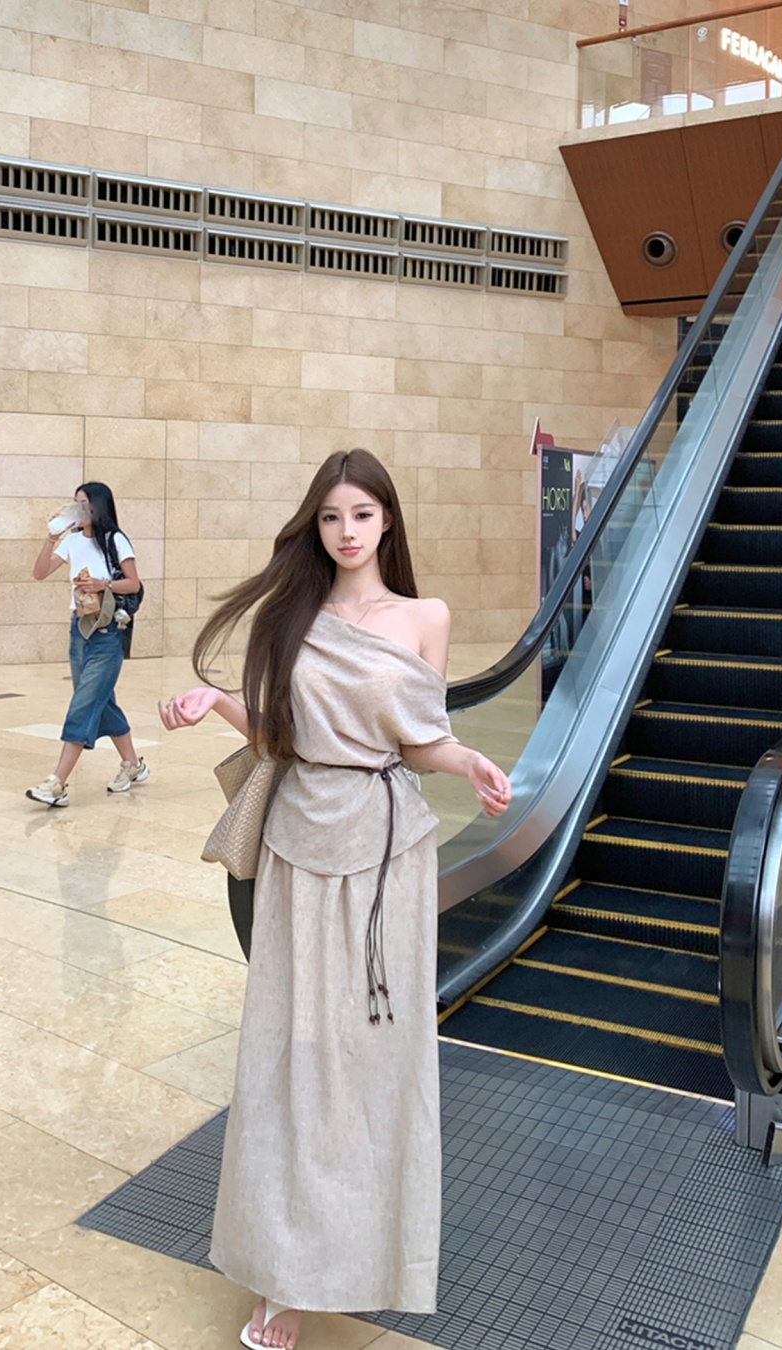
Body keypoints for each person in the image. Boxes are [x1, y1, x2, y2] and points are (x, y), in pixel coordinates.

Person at [159, 449, 511, 1349]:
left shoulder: (425, 617)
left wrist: (468, 761)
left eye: (360, 514)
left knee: (372, 1064)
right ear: (314, 526)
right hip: (298, 846)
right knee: (292, 1056)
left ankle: (361, 1255)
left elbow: (421, 739)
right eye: (330, 517)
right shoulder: (292, 616)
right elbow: (281, 735)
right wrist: (214, 702)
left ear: (386, 519)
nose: (346, 531)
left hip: (387, 856)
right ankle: (285, 1273)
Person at [26, 481, 148, 807]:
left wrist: (101, 583)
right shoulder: (72, 541)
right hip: (79, 631)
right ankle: (132, 765)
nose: (78, 510)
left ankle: (56, 783)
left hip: (108, 633)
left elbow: (133, 583)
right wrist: (51, 538)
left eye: (84, 504)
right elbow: (40, 573)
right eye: (75, 503)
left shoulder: (115, 540)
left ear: (97, 506)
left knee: (83, 704)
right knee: (100, 701)